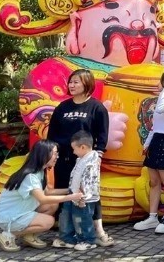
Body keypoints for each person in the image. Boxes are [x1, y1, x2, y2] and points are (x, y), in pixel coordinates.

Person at [46, 68, 113, 247]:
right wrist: (52, 154)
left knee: (90, 195)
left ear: (87, 83)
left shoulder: (97, 107)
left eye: (76, 81)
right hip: (63, 159)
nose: (72, 85)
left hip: (86, 161)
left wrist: (97, 155)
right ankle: (67, 233)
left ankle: (98, 231)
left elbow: (102, 135)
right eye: (71, 82)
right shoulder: (62, 107)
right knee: (66, 193)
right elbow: (52, 134)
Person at [0, 140, 83, 252]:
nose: (57, 156)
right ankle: (8, 234)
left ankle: (28, 235)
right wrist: (71, 197)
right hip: (9, 217)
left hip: (19, 211)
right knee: (49, 222)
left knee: (52, 205)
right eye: (55, 153)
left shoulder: (39, 171)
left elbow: (48, 192)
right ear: (44, 154)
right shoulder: (30, 176)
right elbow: (43, 198)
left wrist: (71, 190)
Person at [133, 71, 164, 234]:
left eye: (160, 82)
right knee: (153, 181)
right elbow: (155, 127)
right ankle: (152, 216)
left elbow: (161, 109)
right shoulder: (163, 98)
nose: (157, 85)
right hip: (155, 141)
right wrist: (147, 144)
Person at [53, 131, 102, 251]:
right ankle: (67, 238)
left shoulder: (91, 162)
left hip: (83, 198)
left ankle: (88, 240)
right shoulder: (81, 159)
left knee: (82, 219)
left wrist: (82, 197)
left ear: (83, 147)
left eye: (74, 149)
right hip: (73, 194)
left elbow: (88, 181)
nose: (73, 152)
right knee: (66, 216)